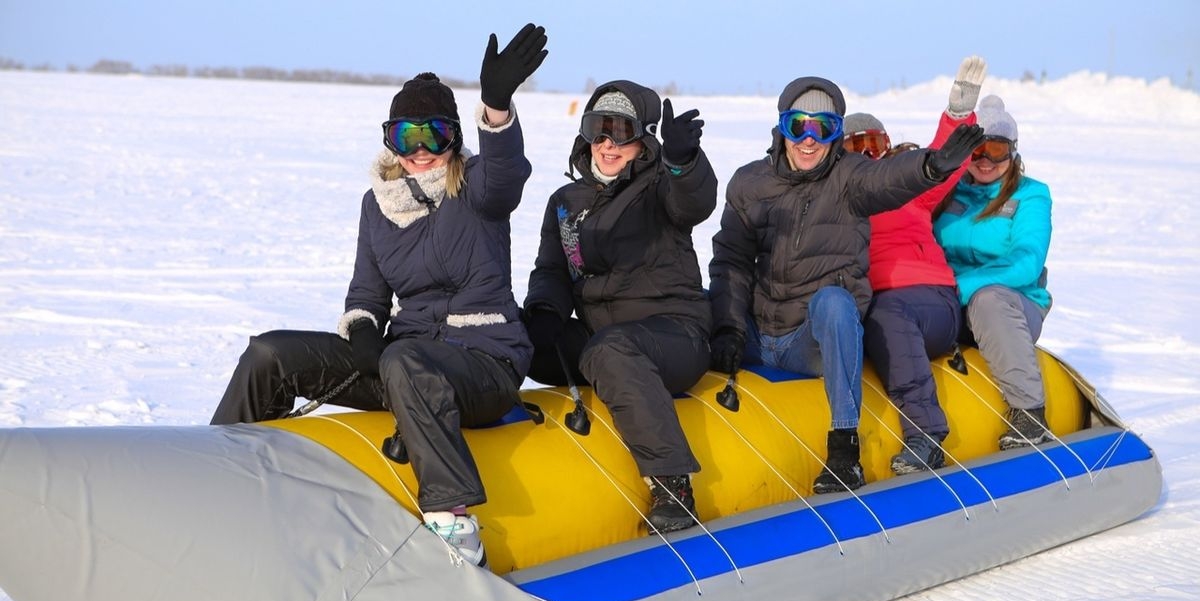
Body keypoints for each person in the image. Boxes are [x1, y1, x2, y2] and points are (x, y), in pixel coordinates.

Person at [210, 24, 549, 567]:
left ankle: (453, 521)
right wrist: (364, 327)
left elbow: (509, 172)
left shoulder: (480, 187)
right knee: (270, 354)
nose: (420, 151)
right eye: (406, 136)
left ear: (454, 139)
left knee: (407, 360)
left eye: (433, 136)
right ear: (389, 140)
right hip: (403, 364)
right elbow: (366, 290)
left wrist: (496, 108)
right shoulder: (377, 205)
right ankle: (216, 481)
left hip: (484, 366)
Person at [708, 76, 985, 495]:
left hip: (810, 342)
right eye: (797, 125)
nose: (809, 139)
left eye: (823, 127)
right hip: (759, 331)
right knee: (694, 302)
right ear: (781, 126)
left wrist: (930, 166)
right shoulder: (751, 184)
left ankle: (843, 451)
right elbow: (731, 260)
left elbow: (892, 177)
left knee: (836, 303)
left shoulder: (851, 179)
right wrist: (728, 327)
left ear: (836, 134)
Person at [522, 80, 716, 533]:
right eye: (598, 130)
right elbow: (552, 270)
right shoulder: (565, 203)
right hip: (601, 340)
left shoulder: (659, 187)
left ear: (644, 139)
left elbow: (694, 202)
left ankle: (674, 487)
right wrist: (543, 313)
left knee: (612, 350)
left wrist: (683, 162)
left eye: (622, 132)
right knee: (513, 332)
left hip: (674, 336)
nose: (608, 144)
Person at [844, 56, 987, 475]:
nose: (868, 155)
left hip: (930, 302)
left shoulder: (906, 184)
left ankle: (925, 435)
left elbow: (944, 162)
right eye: (856, 147)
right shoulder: (838, 197)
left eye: (874, 144)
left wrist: (958, 114)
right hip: (870, 304)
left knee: (888, 316)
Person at [933, 95, 1055, 451]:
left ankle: (1030, 414)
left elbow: (1026, 261)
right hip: (949, 299)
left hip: (1013, 303)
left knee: (988, 300)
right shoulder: (950, 192)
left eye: (997, 150)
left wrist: (957, 288)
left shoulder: (1031, 195)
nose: (986, 161)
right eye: (977, 150)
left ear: (1013, 152)